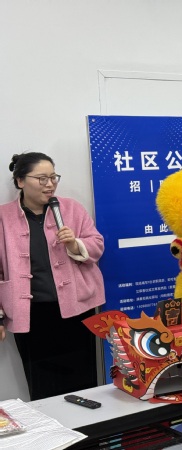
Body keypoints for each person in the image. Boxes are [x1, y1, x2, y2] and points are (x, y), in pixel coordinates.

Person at [0, 152, 106, 400]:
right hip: (31, 315)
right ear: (20, 181)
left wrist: (75, 244)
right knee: (42, 385)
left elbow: (97, 244)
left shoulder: (70, 208)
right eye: (42, 178)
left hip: (76, 310)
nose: (50, 184)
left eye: (53, 177)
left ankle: (88, 426)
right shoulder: (3, 217)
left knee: (84, 382)